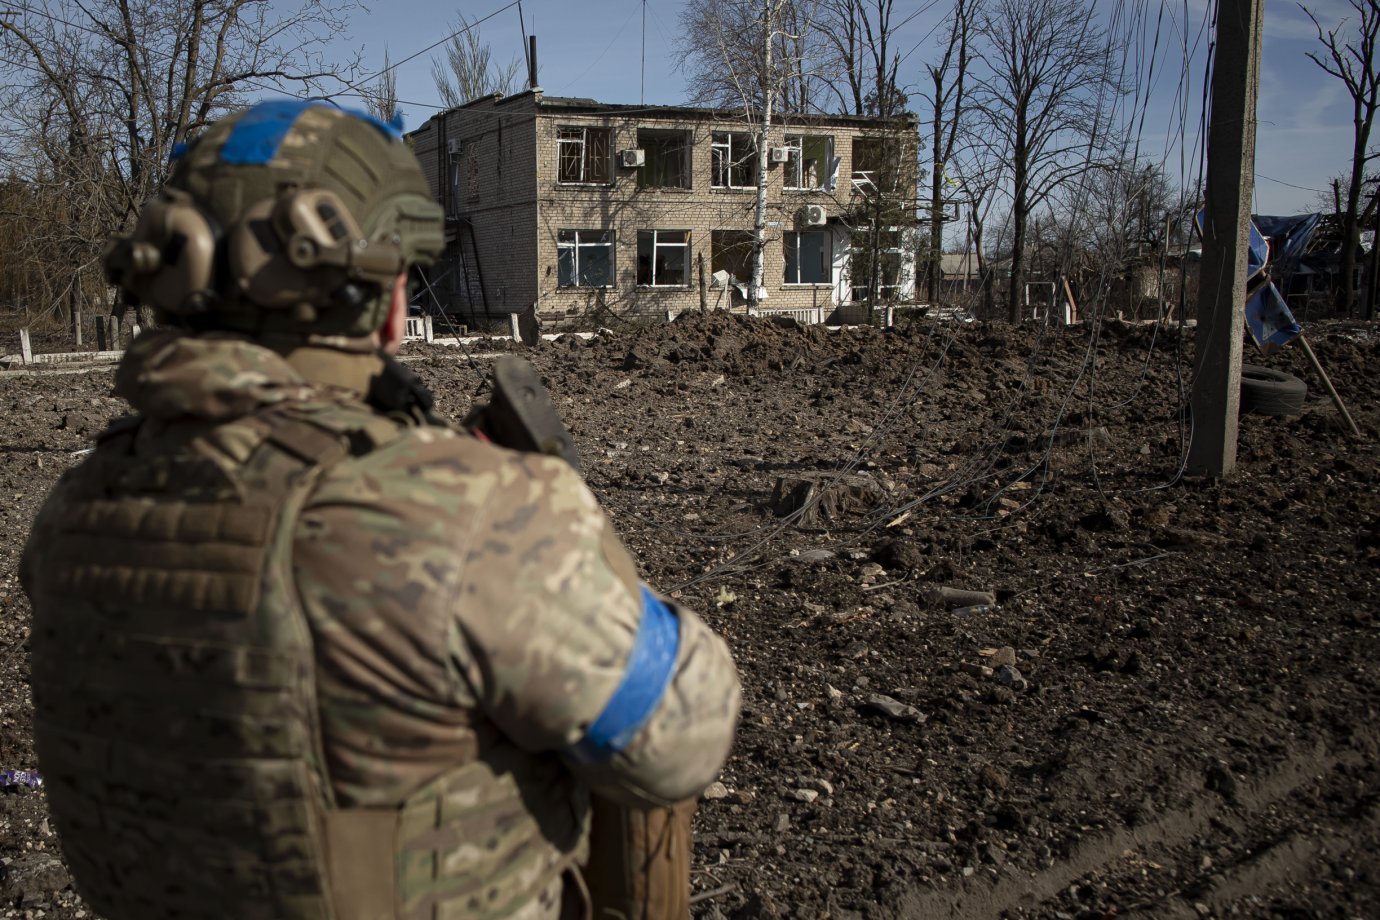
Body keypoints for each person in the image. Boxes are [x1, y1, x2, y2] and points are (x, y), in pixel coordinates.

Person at [21, 100, 740, 920]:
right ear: (391, 299)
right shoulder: (469, 513)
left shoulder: (73, 512)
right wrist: (566, 543)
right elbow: (678, 740)